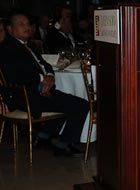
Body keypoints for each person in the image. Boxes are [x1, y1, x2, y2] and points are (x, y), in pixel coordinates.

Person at [0, 12, 88, 156]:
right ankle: (63, 144)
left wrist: (50, 75)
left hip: (36, 92)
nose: (27, 27)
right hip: (26, 97)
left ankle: (43, 137)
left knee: (65, 100)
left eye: (28, 24)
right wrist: (42, 81)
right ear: (10, 29)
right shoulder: (7, 48)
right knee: (81, 105)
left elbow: (45, 64)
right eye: (21, 24)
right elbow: (16, 76)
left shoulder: (28, 45)